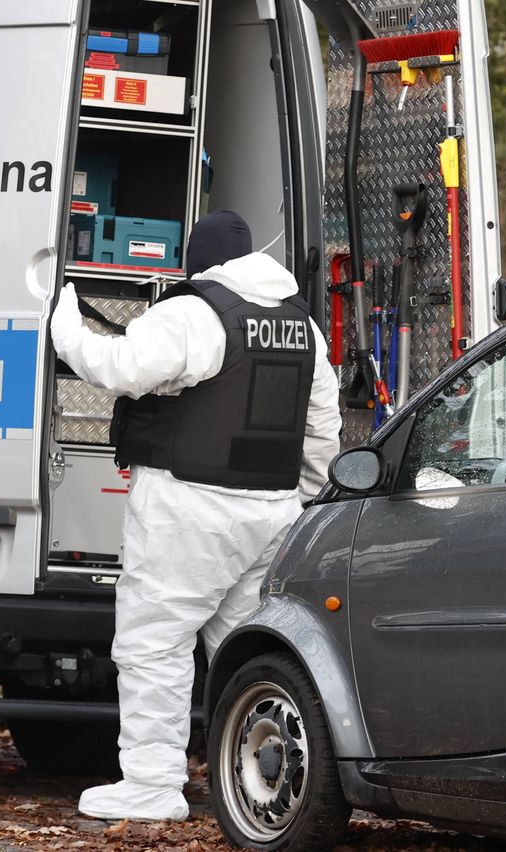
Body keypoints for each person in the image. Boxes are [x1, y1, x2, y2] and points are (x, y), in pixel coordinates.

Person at [49, 210, 341, 821]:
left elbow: (122, 369)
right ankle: (262, 777)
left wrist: (68, 329)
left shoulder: (194, 312)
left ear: (200, 260)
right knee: (249, 648)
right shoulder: (303, 326)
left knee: (155, 642)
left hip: (191, 509)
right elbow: (321, 431)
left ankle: (152, 784)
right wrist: (302, 497)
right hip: (272, 512)